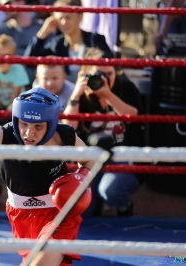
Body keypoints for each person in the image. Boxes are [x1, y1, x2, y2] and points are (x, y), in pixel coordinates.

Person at [0, 88, 95, 265]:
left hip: (59, 213)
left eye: (38, 126)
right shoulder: (2, 135)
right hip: (21, 216)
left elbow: (91, 160)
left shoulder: (64, 136)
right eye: (24, 124)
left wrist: (81, 179)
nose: (29, 133)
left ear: (51, 125)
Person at [63, 48, 144, 217]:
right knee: (86, 210)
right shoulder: (81, 95)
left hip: (122, 156)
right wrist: (76, 94)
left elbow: (132, 118)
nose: (105, 79)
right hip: (91, 159)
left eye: (109, 74)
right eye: (99, 74)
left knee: (111, 191)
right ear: (86, 74)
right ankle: (97, 202)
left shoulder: (126, 88)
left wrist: (107, 95)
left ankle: (124, 205)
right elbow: (69, 127)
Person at [24, 0, 113, 83]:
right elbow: (29, 62)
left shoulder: (95, 39)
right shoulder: (56, 44)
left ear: (80, 16)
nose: (64, 22)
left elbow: (111, 67)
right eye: (60, 19)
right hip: (62, 92)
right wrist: (43, 32)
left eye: (68, 17)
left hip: (91, 90)